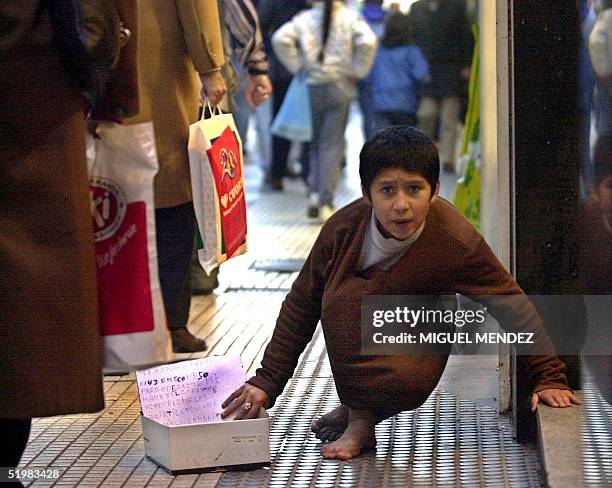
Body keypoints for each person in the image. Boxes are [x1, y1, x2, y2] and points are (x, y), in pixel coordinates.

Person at [222, 126, 581, 461]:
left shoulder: (455, 241)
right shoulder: (342, 230)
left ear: (435, 190)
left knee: (360, 310)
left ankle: (362, 418)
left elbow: (511, 304)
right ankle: (358, 407)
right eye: (387, 190)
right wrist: (267, 381)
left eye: (414, 189)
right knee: (343, 301)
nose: (401, 205)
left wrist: (550, 376)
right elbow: (300, 305)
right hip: (363, 315)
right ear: (367, 194)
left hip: (423, 329)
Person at [0, 0, 138, 477]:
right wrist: (115, 94)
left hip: (40, 97)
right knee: (29, 314)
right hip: (42, 102)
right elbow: (102, 22)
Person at [125, 0, 227, 353]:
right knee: (172, 200)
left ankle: (125, 328)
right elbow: (198, 9)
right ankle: (172, 323)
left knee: (120, 205)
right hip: (161, 74)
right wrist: (210, 67)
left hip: (108, 65)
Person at [272, 0, 377, 221]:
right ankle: (325, 200)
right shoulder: (350, 18)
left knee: (313, 143)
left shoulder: (304, 18)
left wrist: (298, 67)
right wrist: (358, 70)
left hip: (311, 87)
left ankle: (312, 193)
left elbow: (280, 38)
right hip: (340, 87)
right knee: (332, 144)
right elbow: (368, 41)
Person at [409, 0, 473, 173]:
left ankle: (447, 159)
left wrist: (466, 64)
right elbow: (412, 38)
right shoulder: (416, 8)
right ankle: (424, 157)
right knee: (426, 114)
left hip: (451, 68)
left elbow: (466, 36)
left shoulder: (456, 6)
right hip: (426, 70)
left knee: (448, 117)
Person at [258, 0, 311, 191]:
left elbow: (261, 28)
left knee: (280, 122)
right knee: (309, 124)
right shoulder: (308, 5)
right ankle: (305, 173)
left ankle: (278, 172)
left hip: (283, 69)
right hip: (305, 70)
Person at [368, 11, 429, 131]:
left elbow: (368, 75)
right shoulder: (411, 51)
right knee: (404, 143)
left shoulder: (377, 50)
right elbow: (421, 73)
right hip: (405, 104)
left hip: (380, 103)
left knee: (383, 143)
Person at [357, 0, 387, 140]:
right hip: (386, 77)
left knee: (368, 118)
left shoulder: (357, 19)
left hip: (364, 76)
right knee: (384, 120)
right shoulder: (389, 19)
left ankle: (371, 151)